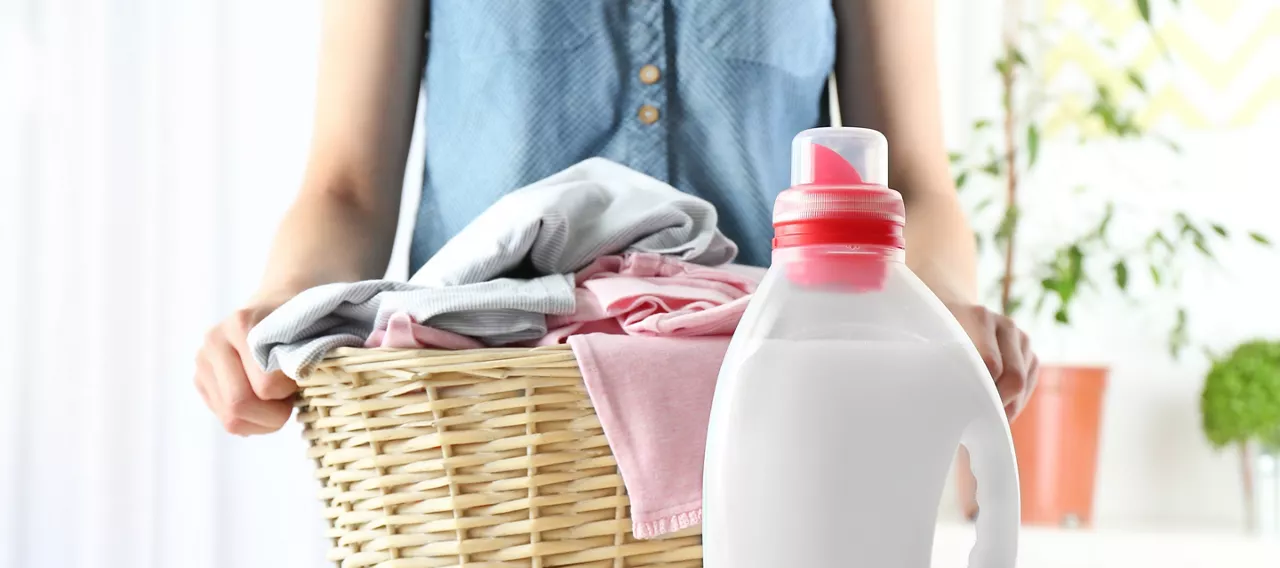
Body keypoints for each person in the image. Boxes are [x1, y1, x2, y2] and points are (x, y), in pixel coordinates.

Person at [196, 0, 1038, 436]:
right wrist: (282, 310)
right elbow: (347, 188)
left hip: (763, 431)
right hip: (489, 441)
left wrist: (945, 310)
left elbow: (912, 186)